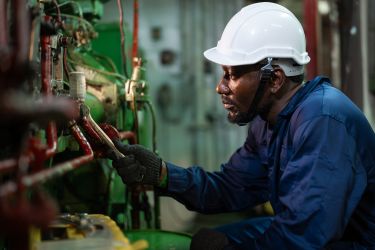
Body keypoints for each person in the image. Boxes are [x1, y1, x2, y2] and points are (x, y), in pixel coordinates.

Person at [108, 2, 375, 249]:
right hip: (311, 234)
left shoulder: (322, 121)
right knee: (212, 240)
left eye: (232, 75)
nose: (220, 87)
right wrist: (162, 174)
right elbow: (231, 188)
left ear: (275, 80)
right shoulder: (267, 121)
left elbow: (303, 238)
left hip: (352, 243)